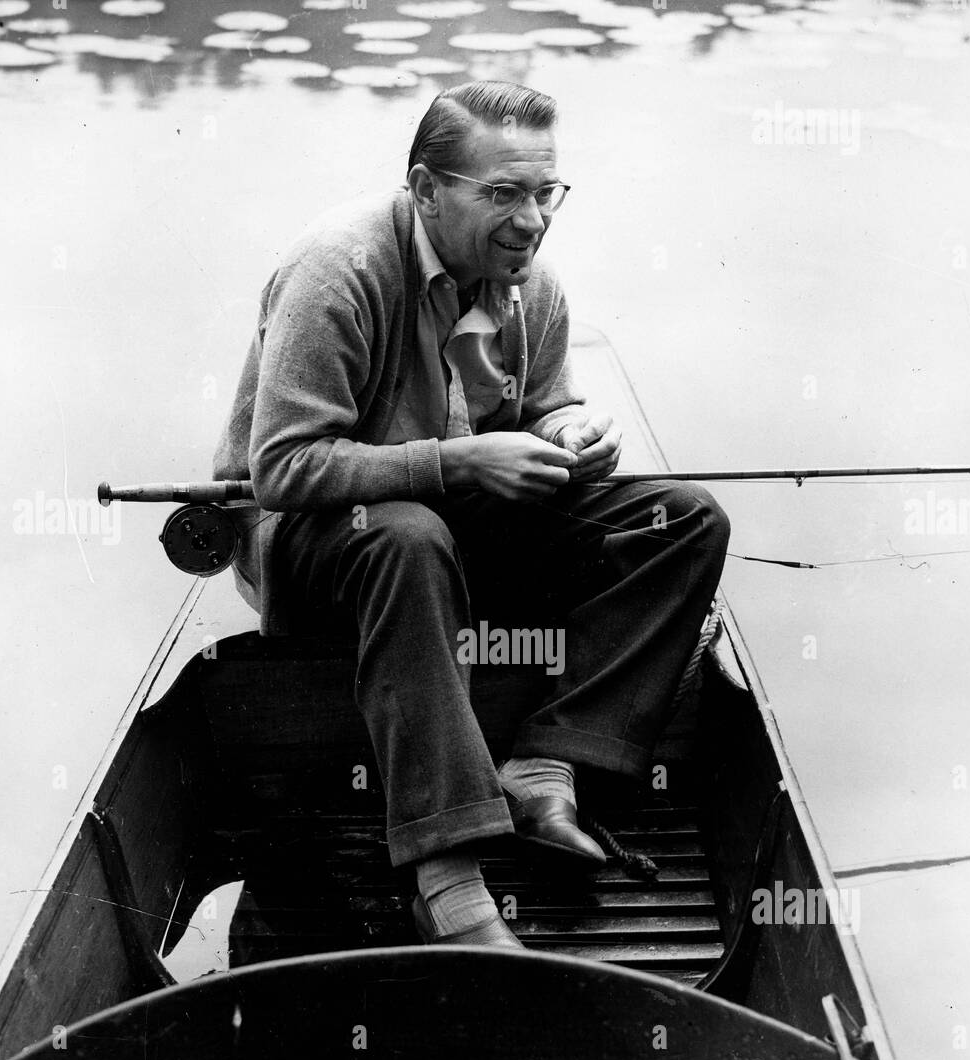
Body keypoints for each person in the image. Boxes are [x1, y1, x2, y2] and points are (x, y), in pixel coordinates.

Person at [213, 80, 729, 951]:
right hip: (320, 546)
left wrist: (571, 432)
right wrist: (452, 464)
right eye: (502, 194)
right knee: (408, 537)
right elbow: (282, 469)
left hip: (449, 531)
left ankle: (546, 760)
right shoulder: (336, 273)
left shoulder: (532, 283)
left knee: (685, 522)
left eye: (543, 193)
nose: (531, 220)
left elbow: (546, 403)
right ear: (425, 190)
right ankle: (445, 876)